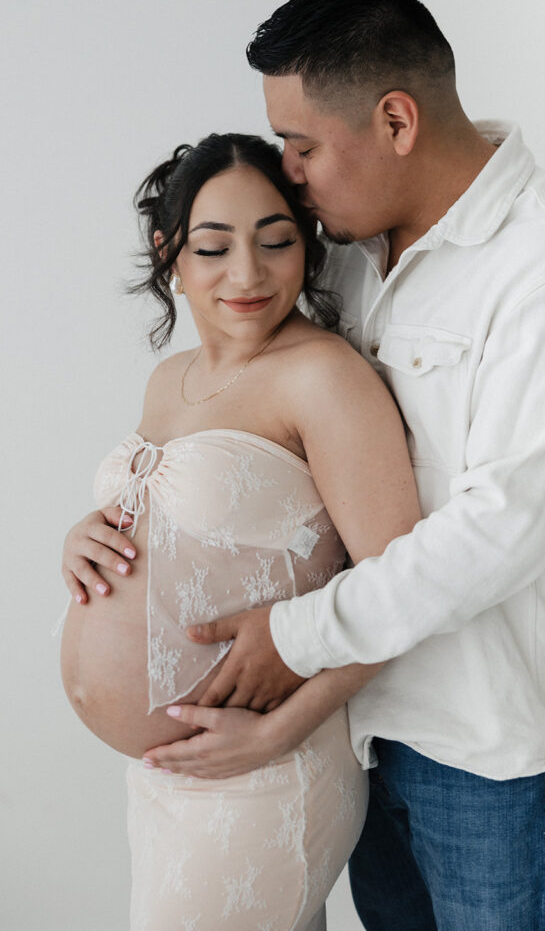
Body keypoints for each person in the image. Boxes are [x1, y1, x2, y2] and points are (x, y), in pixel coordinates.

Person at [64, 0, 545, 930]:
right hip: (365, 729)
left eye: (301, 146)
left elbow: (499, 533)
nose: (289, 175)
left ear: (395, 121)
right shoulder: (344, 254)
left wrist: (290, 644)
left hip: (492, 746)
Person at [59, 131, 421, 931]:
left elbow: (406, 588)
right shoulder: (168, 378)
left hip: (262, 764)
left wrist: (280, 731)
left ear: (308, 246)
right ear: (170, 256)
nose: (248, 275)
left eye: (277, 242)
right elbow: (184, 531)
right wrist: (83, 540)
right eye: (215, 248)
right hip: (168, 776)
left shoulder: (322, 375)